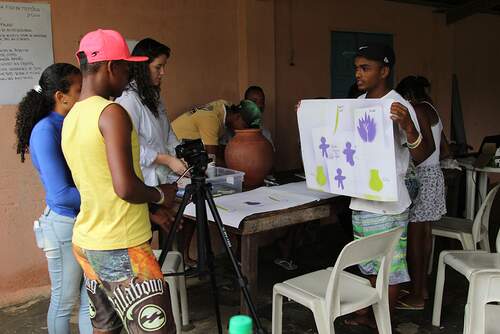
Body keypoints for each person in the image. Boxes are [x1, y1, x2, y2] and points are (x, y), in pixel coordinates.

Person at [61, 29, 177, 334]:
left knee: (105, 327)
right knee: (157, 330)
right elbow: (124, 187)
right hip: (120, 245)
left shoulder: (71, 116)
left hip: (88, 241)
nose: (130, 73)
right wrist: (161, 196)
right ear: (111, 67)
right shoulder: (112, 113)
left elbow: (98, 182)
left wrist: (151, 211)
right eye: (126, 66)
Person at [345, 44, 434, 328]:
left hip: (389, 203)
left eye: (365, 68)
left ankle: (383, 320)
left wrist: (408, 126)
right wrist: (308, 114)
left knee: (389, 267)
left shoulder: (399, 104)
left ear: (384, 71)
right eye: (357, 68)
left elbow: (422, 155)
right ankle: (372, 313)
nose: (358, 73)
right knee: (370, 263)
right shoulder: (359, 103)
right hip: (361, 200)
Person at [14, 63, 92, 334]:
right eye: (79, 90)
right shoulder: (46, 130)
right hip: (64, 224)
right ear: (61, 96)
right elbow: (61, 193)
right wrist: (102, 196)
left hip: (84, 220)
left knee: (88, 297)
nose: (83, 96)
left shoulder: (70, 122)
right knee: (64, 300)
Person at [115, 38, 186, 234]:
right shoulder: (128, 100)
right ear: (142, 67)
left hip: (163, 181)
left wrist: (180, 156)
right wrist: (165, 159)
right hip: (143, 184)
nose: (163, 73)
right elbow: (130, 148)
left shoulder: (154, 96)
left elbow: (167, 133)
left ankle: (178, 262)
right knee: (147, 234)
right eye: (158, 67)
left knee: (174, 227)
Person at [395, 75, 448, 310]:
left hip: (421, 176)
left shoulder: (417, 109)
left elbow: (428, 149)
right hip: (434, 175)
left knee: (415, 238)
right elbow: (444, 150)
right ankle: (421, 288)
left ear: (407, 96)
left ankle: (416, 295)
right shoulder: (432, 109)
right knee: (424, 235)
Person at [171, 99, 262, 166]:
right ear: (237, 117)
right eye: (245, 126)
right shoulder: (211, 120)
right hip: (173, 152)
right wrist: (237, 170)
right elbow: (211, 160)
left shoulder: (223, 106)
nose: (245, 130)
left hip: (188, 147)